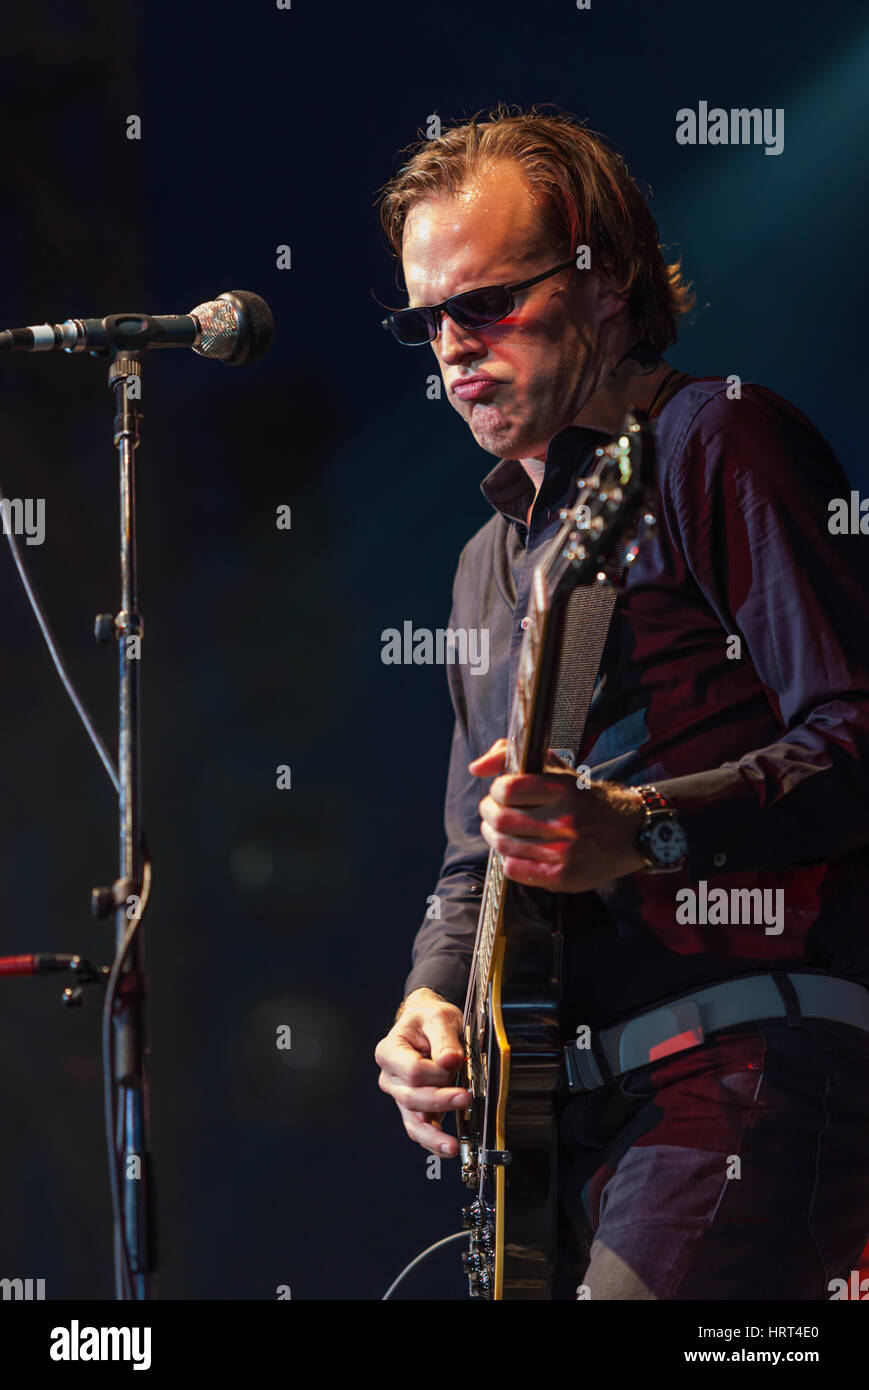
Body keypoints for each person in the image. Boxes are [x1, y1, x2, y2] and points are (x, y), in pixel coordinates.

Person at [373, 105, 869, 1300]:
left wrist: (639, 822)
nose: (451, 344)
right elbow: (467, 867)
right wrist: (426, 1006)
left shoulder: (715, 438)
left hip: (745, 1070)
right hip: (563, 1129)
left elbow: (855, 738)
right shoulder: (481, 565)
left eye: (485, 302)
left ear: (604, 282)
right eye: (425, 318)